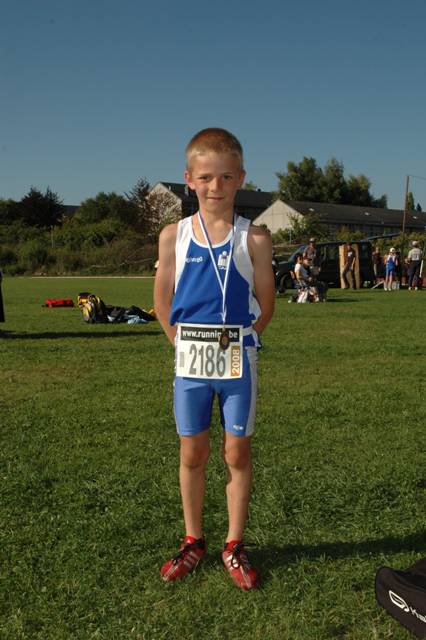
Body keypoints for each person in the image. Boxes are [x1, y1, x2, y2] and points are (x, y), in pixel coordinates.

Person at [153, 128, 275, 590]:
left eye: (226, 176)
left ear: (240, 177)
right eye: (206, 177)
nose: (216, 186)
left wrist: (243, 342)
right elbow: (162, 300)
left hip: (236, 365)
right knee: (193, 451)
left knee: (236, 451)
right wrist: (182, 347)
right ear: (189, 179)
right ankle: (193, 539)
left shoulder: (255, 238)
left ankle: (234, 543)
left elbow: (267, 302)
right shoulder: (174, 235)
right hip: (191, 366)